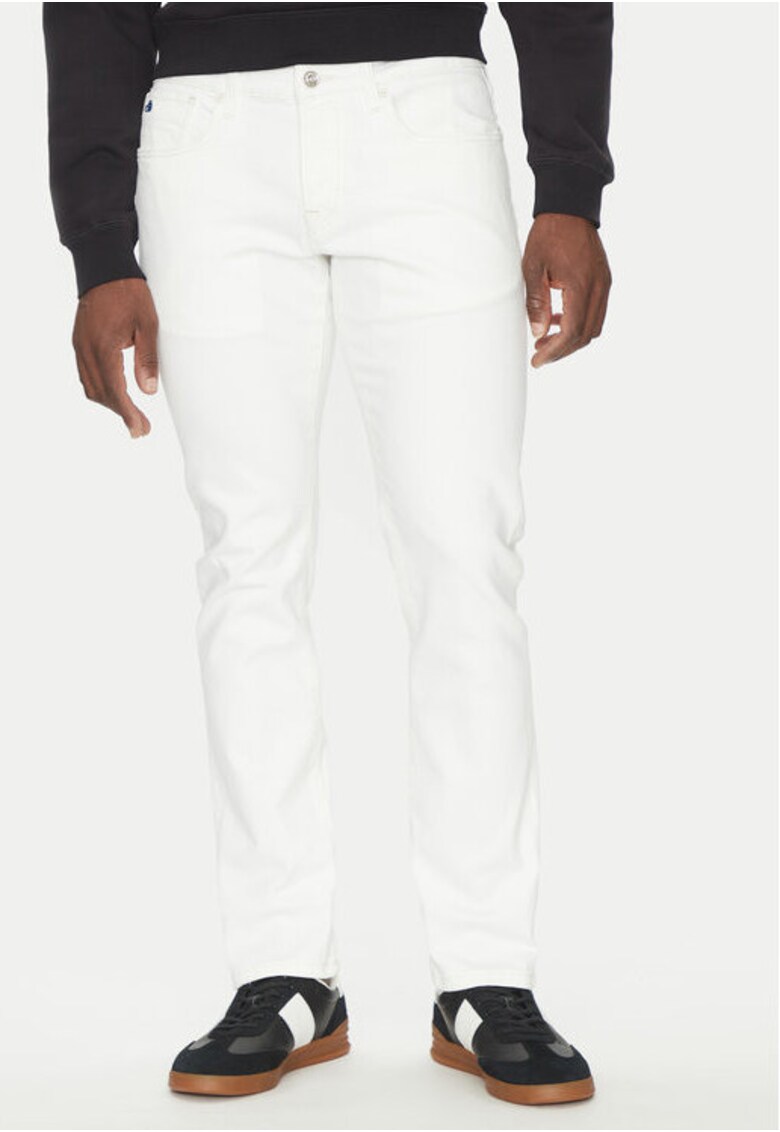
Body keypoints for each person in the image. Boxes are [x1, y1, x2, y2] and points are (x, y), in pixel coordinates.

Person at [43, 1, 613, 1107]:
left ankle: (487, 974)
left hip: (424, 120)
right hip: (209, 141)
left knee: (465, 556)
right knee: (247, 562)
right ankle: (284, 970)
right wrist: (99, 244)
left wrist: (570, 189)